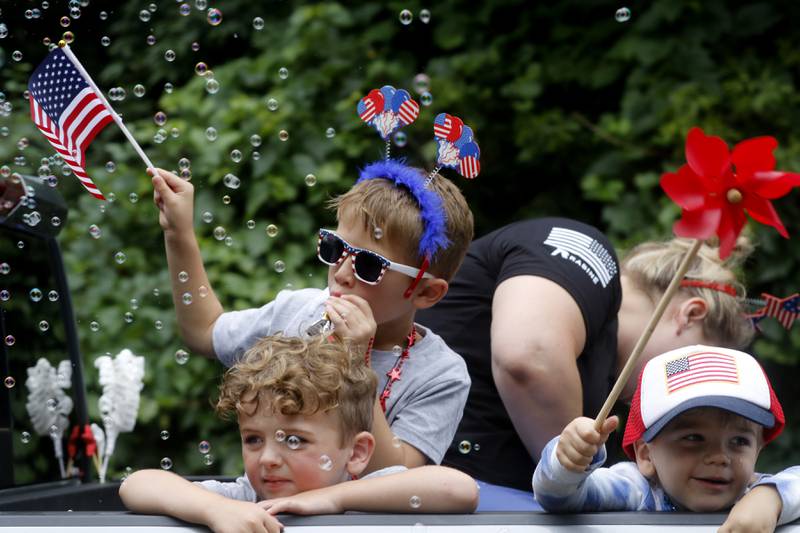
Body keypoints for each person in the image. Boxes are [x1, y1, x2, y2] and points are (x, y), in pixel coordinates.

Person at [149, 159, 474, 473]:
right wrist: (179, 233)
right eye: (335, 248)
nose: (342, 273)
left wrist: (356, 363)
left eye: (369, 265)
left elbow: (397, 475)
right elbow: (204, 331)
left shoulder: (441, 374)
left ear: (426, 293)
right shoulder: (299, 312)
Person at [416, 218, 755, 493]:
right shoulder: (588, 250)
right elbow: (529, 355)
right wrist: (575, 477)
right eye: (693, 362)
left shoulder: (597, 377)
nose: (695, 392)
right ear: (691, 314)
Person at [120, 335, 479, 532]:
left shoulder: (365, 492)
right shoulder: (246, 498)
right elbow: (135, 484)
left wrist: (334, 499)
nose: (268, 459)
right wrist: (214, 510)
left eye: (294, 439)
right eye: (253, 439)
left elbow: (458, 489)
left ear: (355, 454)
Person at [533, 344, 800, 532]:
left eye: (740, 441)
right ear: (646, 455)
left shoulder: (753, 492)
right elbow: (558, 497)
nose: (720, 457)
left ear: (758, 450)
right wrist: (567, 459)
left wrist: (771, 498)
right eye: (694, 437)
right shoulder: (637, 489)